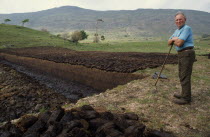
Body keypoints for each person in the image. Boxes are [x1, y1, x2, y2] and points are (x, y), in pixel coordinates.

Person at [168, 11, 195, 105]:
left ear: (185, 20)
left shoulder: (187, 28)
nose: (178, 21)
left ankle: (186, 98)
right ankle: (184, 94)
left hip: (187, 54)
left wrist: (174, 39)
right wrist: (175, 39)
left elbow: (179, 43)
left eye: (180, 19)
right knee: (181, 75)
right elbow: (168, 42)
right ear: (175, 21)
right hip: (181, 54)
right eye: (177, 20)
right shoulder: (177, 31)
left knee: (185, 76)